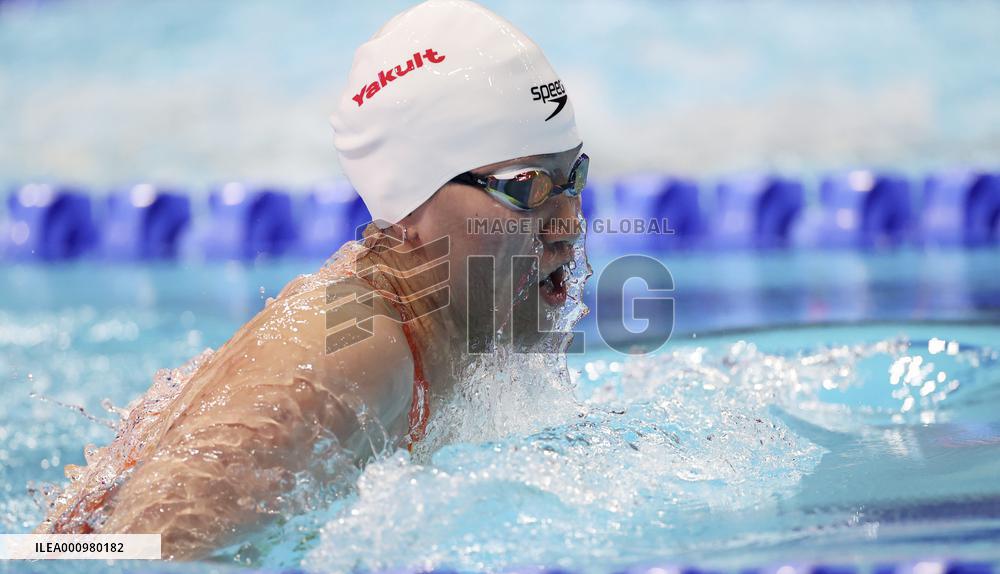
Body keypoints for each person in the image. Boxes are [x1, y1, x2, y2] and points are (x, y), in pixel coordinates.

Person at [36, 0, 589, 560]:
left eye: (574, 178)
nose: (570, 223)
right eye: (526, 188)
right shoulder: (349, 350)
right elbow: (122, 555)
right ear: (411, 206)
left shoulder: (437, 332)